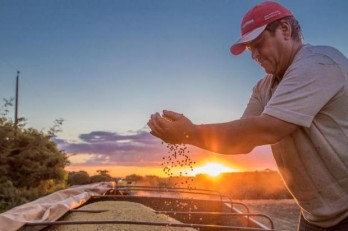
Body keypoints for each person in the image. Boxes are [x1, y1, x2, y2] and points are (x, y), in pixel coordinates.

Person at [147, 1, 348, 230]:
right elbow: (242, 140)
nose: (254, 55)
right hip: (314, 218)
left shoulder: (319, 62)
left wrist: (188, 132)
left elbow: (268, 129)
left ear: (285, 29)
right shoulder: (263, 88)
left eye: (259, 44)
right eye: (250, 49)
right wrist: (185, 134)